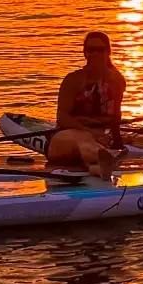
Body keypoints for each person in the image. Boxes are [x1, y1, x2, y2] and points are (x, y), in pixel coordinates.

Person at [45, 31, 128, 179]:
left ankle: (100, 169)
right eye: (91, 50)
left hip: (98, 137)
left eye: (100, 50)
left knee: (89, 147)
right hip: (66, 136)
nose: (95, 54)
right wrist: (89, 131)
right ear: (85, 53)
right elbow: (62, 118)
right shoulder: (73, 80)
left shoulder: (117, 80)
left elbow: (116, 114)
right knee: (83, 140)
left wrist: (117, 139)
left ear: (108, 52)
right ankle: (108, 157)